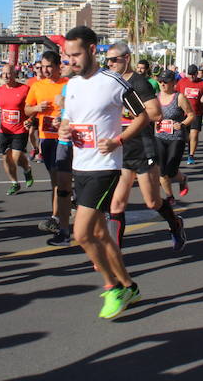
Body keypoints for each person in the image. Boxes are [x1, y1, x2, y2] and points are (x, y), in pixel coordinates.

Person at [58, 26, 145, 319]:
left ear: (93, 50)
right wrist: (65, 130)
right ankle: (129, 285)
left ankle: (113, 287)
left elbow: (144, 115)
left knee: (82, 233)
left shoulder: (113, 82)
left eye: (77, 54)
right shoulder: (71, 86)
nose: (71, 60)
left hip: (104, 167)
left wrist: (118, 140)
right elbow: (67, 121)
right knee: (99, 234)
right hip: (80, 166)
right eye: (68, 55)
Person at [104, 43, 186, 251]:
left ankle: (175, 223)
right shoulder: (110, 83)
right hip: (121, 148)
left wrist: (130, 111)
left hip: (142, 148)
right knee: (117, 204)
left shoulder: (139, 83)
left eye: (115, 59)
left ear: (127, 58)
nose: (110, 63)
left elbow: (156, 114)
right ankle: (114, 253)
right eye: (108, 60)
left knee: (152, 202)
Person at [24, 50, 71, 238]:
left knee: (60, 178)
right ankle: (59, 214)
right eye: (43, 67)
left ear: (58, 66)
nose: (45, 70)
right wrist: (37, 108)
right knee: (55, 178)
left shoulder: (68, 84)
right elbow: (27, 110)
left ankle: (57, 216)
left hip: (67, 137)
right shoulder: (37, 86)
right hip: (47, 138)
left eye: (49, 66)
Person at [154, 69, 196, 214]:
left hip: (176, 137)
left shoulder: (179, 97)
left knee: (171, 171)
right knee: (161, 170)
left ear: (173, 83)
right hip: (159, 137)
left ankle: (182, 178)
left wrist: (182, 124)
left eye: (165, 81)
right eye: (160, 81)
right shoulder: (156, 97)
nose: (162, 84)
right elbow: (152, 115)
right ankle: (170, 196)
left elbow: (191, 115)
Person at [0, 64, 34, 196]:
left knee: (14, 158)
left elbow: (33, 106)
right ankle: (15, 183)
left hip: (20, 130)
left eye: (8, 73)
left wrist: (30, 119)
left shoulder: (25, 89)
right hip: (5, 131)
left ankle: (26, 169)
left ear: (15, 74)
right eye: (3, 74)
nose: (6, 76)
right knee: (6, 159)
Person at [177, 64, 203, 165]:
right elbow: (175, 94)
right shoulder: (182, 82)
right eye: (190, 75)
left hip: (197, 113)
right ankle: (187, 149)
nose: (191, 77)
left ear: (197, 74)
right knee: (185, 136)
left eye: (194, 75)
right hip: (183, 113)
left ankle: (191, 155)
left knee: (194, 134)